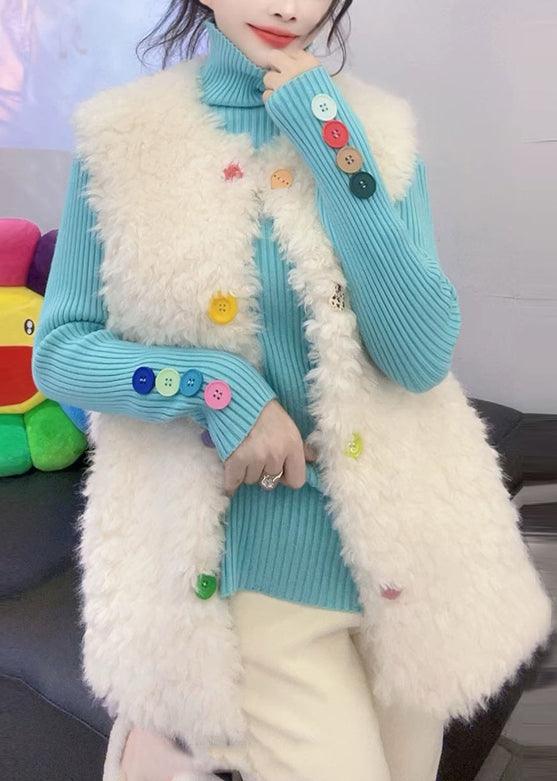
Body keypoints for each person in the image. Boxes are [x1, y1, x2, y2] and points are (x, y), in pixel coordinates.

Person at [32, 1, 553, 781]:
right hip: (252, 574)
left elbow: (417, 355)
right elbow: (61, 352)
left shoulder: (374, 130)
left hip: (407, 563)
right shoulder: (123, 137)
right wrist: (215, 389)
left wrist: (332, 143)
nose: (289, 7)